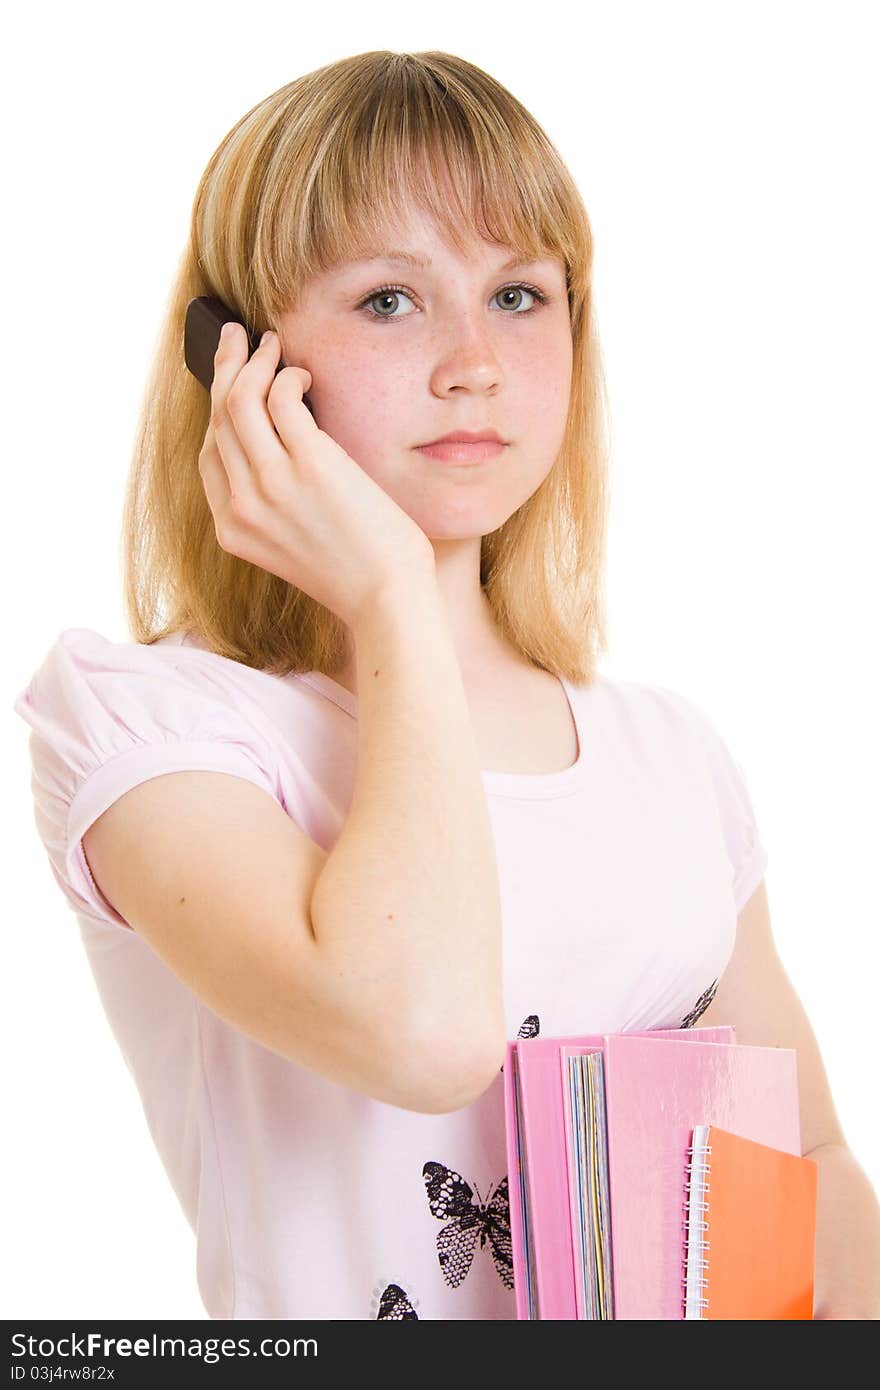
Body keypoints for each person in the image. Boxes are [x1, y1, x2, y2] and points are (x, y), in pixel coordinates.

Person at [12, 50, 875, 1321]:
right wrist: (389, 598)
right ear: (237, 358)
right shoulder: (154, 724)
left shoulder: (669, 755)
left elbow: (805, 1166)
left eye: (519, 294)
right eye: (389, 301)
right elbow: (418, 1033)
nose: (473, 360)